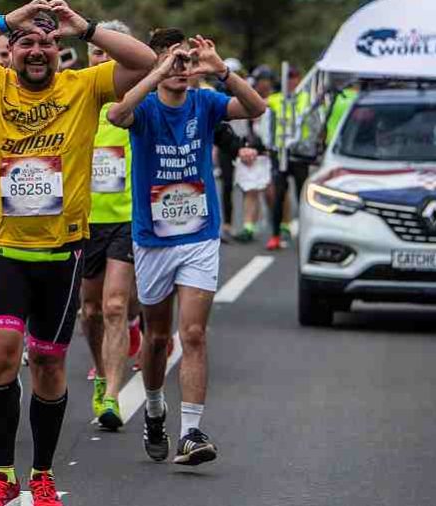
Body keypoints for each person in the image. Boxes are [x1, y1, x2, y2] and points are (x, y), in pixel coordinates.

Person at [0, 1, 156, 503]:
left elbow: (145, 61)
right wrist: (9, 19)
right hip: (4, 249)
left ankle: (42, 474)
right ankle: (2, 473)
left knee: (48, 364)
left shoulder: (85, 86)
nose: (37, 52)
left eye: (47, 44)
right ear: (12, 51)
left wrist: (86, 28)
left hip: (62, 252)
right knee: (1, 355)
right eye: (27, 44)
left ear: (60, 51)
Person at [107, 28, 266, 465]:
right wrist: (155, 72)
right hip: (153, 240)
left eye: (185, 61)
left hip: (199, 235)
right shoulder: (145, 108)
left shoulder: (205, 103)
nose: (180, 69)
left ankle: (191, 432)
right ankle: (154, 409)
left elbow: (256, 107)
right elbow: (117, 115)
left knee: (193, 333)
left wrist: (220, 71)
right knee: (158, 338)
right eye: (171, 60)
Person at [79, 19, 144, 430]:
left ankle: (113, 396)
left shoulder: (139, 100)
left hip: (126, 217)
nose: (104, 58)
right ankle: (102, 372)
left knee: (114, 305)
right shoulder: (79, 96)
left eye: (112, 51)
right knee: (89, 311)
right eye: (97, 52)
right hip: (85, 220)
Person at [266, 66, 309, 251]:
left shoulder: (307, 98)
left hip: (300, 154)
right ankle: (275, 235)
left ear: (299, 79)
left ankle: (306, 234)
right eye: (288, 77)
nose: (291, 81)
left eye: (293, 77)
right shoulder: (275, 99)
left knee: (303, 196)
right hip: (280, 153)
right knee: (279, 195)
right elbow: (264, 118)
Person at [231, 68, 273, 244]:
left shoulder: (274, 101)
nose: (262, 84)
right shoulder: (248, 99)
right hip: (251, 152)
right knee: (250, 190)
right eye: (260, 80)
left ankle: (279, 224)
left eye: (265, 80)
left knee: (270, 192)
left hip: (269, 152)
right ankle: (249, 227)